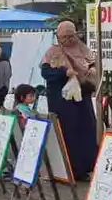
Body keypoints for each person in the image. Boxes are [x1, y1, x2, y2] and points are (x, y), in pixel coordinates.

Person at [41, 20, 100, 180]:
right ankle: (69, 169)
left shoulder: (83, 49)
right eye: (63, 37)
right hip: (62, 102)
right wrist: (64, 73)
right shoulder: (52, 51)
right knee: (68, 133)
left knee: (87, 130)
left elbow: (93, 63)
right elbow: (46, 73)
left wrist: (92, 70)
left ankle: (87, 168)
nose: (67, 40)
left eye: (70, 36)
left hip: (82, 99)